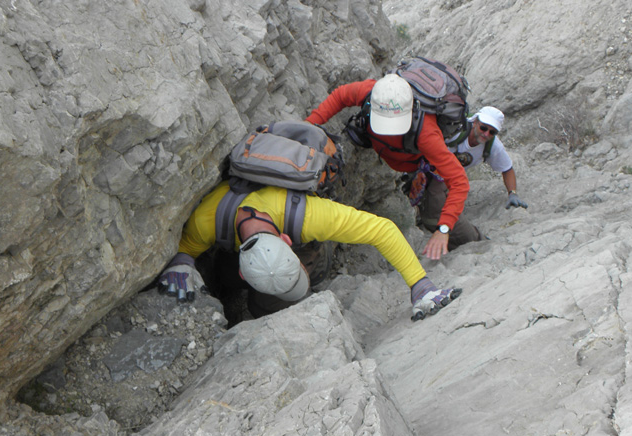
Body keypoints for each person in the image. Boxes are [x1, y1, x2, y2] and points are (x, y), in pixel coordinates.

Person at [158, 180, 462, 322]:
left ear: (290, 243)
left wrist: (420, 285)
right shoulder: (203, 222)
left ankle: (303, 279)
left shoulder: (311, 216)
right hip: (235, 250)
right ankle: (256, 303)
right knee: (252, 293)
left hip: (292, 230)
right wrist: (182, 263)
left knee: (288, 289)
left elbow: (382, 229)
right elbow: (185, 248)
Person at [305, 73, 470, 259]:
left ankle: (477, 241)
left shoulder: (427, 133)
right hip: (400, 160)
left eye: (394, 125)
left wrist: (444, 228)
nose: (388, 131)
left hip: (426, 167)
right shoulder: (372, 93)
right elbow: (341, 95)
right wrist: (309, 126)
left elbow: (459, 181)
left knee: (434, 213)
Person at [416, 106, 526, 234]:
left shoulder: (493, 146)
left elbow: (507, 168)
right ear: (475, 122)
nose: (486, 134)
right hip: (424, 167)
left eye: (492, 132)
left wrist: (512, 193)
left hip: (447, 179)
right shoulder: (455, 130)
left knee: (438, 199)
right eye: (483, 128)